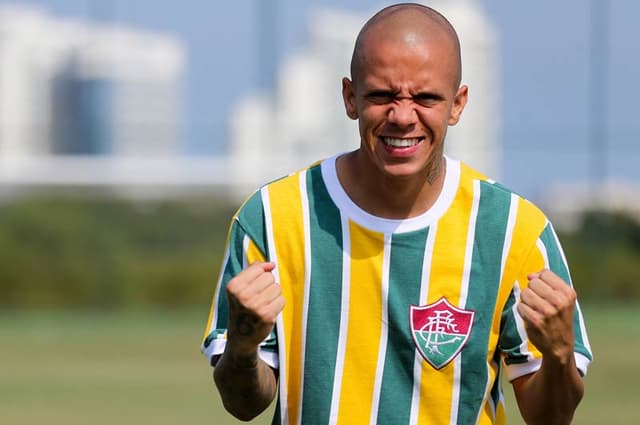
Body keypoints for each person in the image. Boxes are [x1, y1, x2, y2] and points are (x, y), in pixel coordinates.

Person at [201, 3, 592, 424]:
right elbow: (243, 405)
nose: (402, 116)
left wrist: (558, 352)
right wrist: (243, 344)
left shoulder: (515, 229)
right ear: (351, 97)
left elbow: (550, 417)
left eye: (425, 98)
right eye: (382, 95)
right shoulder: (272, 217)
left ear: (457, 105)